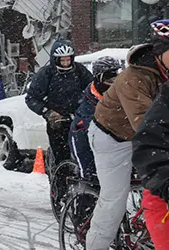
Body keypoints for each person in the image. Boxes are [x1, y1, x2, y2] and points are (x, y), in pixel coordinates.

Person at [85, 20, 169, 249]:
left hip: (138, 135)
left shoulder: (165, 72)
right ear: (161, 52)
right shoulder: (135, 79)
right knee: (114, 201)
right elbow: (145, 124)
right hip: (111, 136)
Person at [25, 39, 93, 168]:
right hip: (57, 123)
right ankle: (59, 181)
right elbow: (31, 98)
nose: (66, 64)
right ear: (55, 59)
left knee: (85, 151)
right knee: (61, 156)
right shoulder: (46, 73)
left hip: (79, 119)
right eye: (62, 60)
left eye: (68, 60)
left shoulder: (80, 71)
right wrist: (47, 112)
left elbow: (92, 89)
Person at [69, 56, 122, 183]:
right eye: (110, 77)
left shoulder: (121, 91)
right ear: (99, 77)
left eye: (116, 75)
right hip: (85, 138)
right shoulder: (90, 101)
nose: (114, 80)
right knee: (81, 131)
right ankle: (86, 181)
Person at [132, 73, 169, 250]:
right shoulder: (165, 101)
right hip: (163, 198)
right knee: (112, 198)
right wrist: (164, 182)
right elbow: (148, 141)